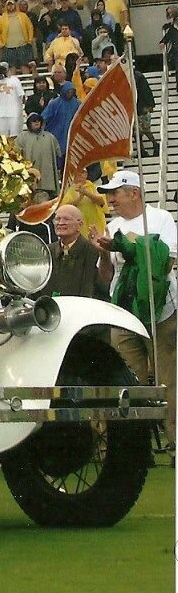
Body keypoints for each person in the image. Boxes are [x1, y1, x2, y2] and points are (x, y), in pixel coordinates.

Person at [92, 170, 176, 445]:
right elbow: (106, 278)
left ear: (135, 193)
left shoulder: (161, 218)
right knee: (126, 381)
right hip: (124, 313)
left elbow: (167, 263)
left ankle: (174, 442)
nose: (110, 199)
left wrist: (127, 247)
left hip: (161, 312)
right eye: (108, 194)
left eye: (115, 193)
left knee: (168, 382)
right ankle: (134, 448)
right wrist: (105, 252)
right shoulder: (112, 226)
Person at [46, 204, 100, 299]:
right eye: (57, 219)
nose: (61, 223)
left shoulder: (92, 251)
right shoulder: (47, 251)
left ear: (80, 224)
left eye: (66, 219)